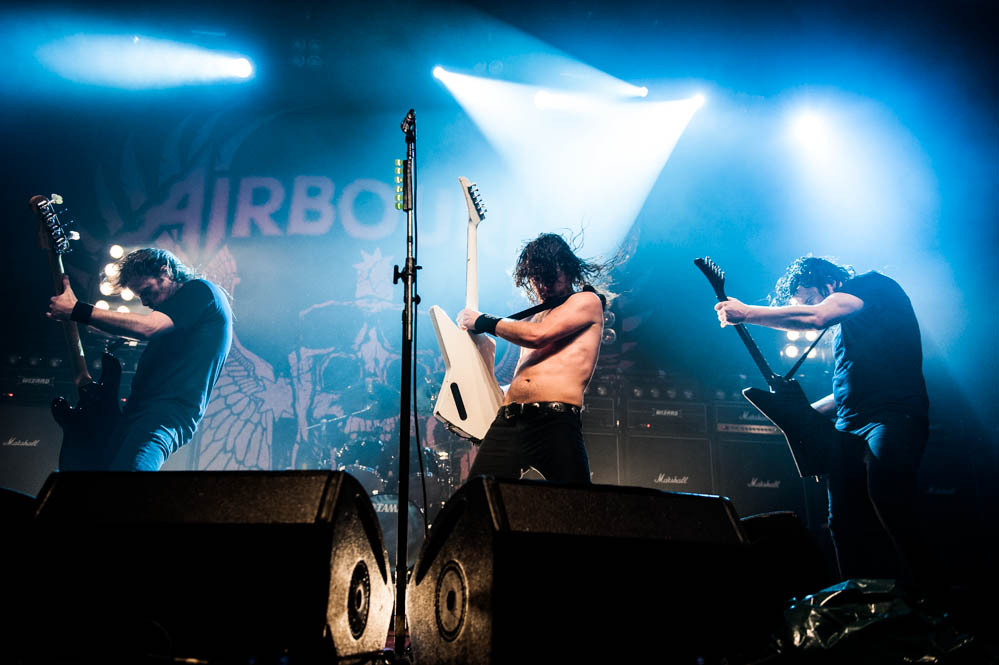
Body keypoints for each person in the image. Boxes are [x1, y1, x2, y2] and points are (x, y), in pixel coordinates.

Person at [715, 256, 929, 581]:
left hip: (892, 416)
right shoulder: (847, 333)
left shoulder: (871, 285)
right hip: (849, 426)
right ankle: (857, 603)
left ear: (828, 282)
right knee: (842, 521)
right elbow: (846, 393)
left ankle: (928, 594)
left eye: (811, 297)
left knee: (888, 493)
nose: (811, 306)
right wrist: (801, 413)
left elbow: (817, 317)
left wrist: (747, 313)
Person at [47, 248, 232, 471]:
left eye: (147, 291)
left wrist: (78, 310)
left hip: (165, 413)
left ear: (166, 272)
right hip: (137, 412)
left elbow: (148, 327)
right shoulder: (180, 315)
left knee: (132, 485)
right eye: (140, 296)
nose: (144, 302)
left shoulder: (201, 291)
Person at [456, 233, 607, 484]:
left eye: (549, 277)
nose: (542, 285)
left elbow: (538, 336)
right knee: (477, 500)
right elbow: (526, 377)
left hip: (554, 421)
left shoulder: (586, 301)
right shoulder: (532, 316)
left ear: (567, 270)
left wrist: (483, 321)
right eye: (536, 278)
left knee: (579, 509)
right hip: (510, 420)